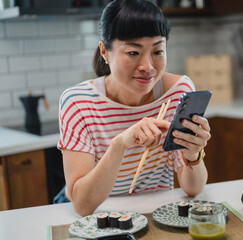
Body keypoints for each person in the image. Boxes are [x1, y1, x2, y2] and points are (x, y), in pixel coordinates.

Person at [57, 0, 210, 217]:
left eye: (157, 51)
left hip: (153, 215)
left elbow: (193, 189)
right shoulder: (77, 102)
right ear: (104, 51)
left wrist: (193, 153)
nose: (148, 67)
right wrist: (120, 144)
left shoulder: (179, 92)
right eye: (133, 52)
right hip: (101, 216)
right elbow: (83, 206)